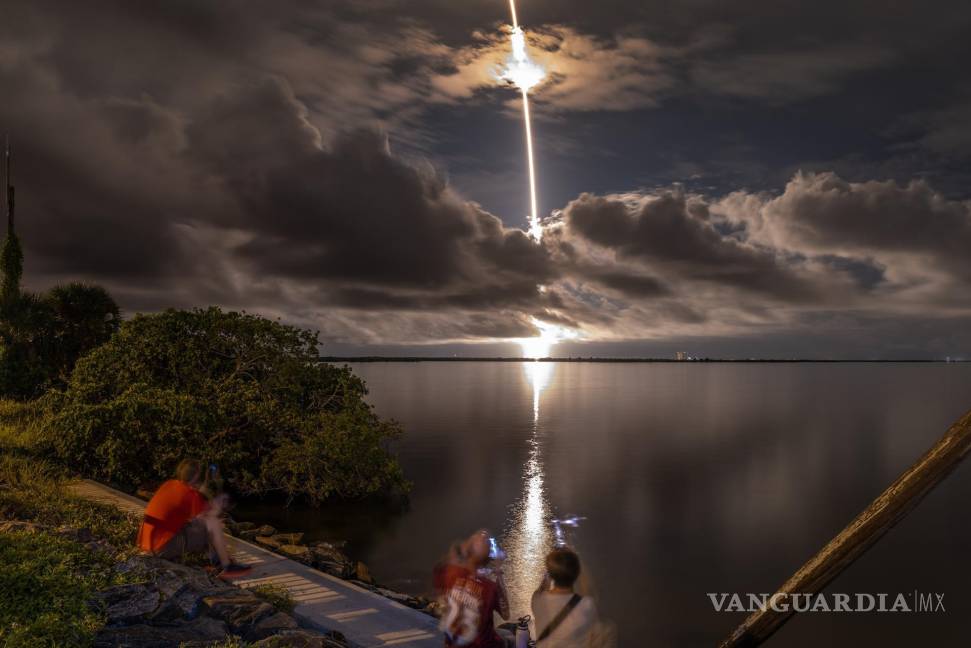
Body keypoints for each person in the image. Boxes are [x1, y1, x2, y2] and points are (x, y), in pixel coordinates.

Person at [137, 458, 252, 579]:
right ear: (196, 476)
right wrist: (220, 498)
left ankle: (218, 561)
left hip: (148, 544)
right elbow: (211, 515)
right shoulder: (190, 495)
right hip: (161, 549)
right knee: (212, 523)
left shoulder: (169, 484)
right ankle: (226, 566)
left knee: (200, 523)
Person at [435, 530, 511, 647]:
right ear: (488, 560)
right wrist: (498, 572)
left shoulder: (449, 574)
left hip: (451, 645)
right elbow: (506, 614)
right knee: (507, 638)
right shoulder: (489, 588)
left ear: (466, 551)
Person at [530, 548, 598, 647]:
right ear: (577, 573)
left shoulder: (538, 600)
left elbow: (541, 590)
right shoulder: (587, 604)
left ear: (551, 574)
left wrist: (546, 577)